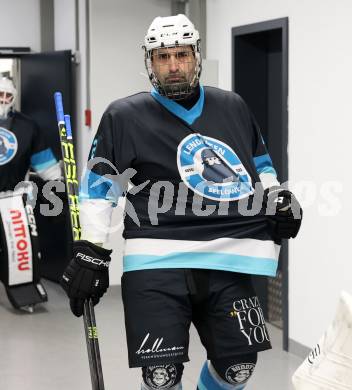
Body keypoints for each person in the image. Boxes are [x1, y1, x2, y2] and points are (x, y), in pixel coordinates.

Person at [61, 14, 303, 390]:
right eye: (162, 57)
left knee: (239, 366)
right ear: (149, 62)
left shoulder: (233, 106)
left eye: (182, 54)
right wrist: (92, 251)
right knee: (161, 377)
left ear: (196, 55)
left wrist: (278, 201)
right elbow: (98, 189)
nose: (173, 65)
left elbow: (260, 167)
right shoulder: (124, 115)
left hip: (227, 255)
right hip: (157, 261)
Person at [0, 76, 62, 310]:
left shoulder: (27, 126)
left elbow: (44, 163)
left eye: (8, 96)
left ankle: (26, 296)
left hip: (14, 198)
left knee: (20, 248)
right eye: (0, 95)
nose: (4, 100)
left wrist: (57, 181)